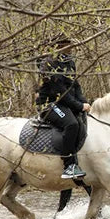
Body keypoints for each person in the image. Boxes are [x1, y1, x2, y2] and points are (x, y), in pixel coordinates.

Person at [35, 33, 90, 179]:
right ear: (58, 46)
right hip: (49, 104)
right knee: (71, 124)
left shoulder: (69, 62)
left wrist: (84, 103)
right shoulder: (48, 64)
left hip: (64, 103)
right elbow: (60, 92)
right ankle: (69, 166)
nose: (71, 47)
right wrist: (78, 106)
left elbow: (75, 86)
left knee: (83, 121)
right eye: (67, 44)